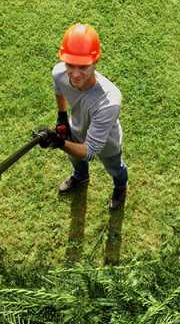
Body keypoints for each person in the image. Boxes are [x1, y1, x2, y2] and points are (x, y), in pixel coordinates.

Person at [37, 23, 128, 210]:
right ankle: (80, 177)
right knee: (75, 159)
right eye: (70, 64)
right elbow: (59, 90)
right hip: (76, 129)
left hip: (106, 144)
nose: (75, 74)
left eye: (83, 66)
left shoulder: (108, 101)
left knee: (115, 167)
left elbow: (90, 151)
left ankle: (120, 187)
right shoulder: (59, 73)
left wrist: (59, 142)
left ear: (96, 61)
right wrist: (62, 116)